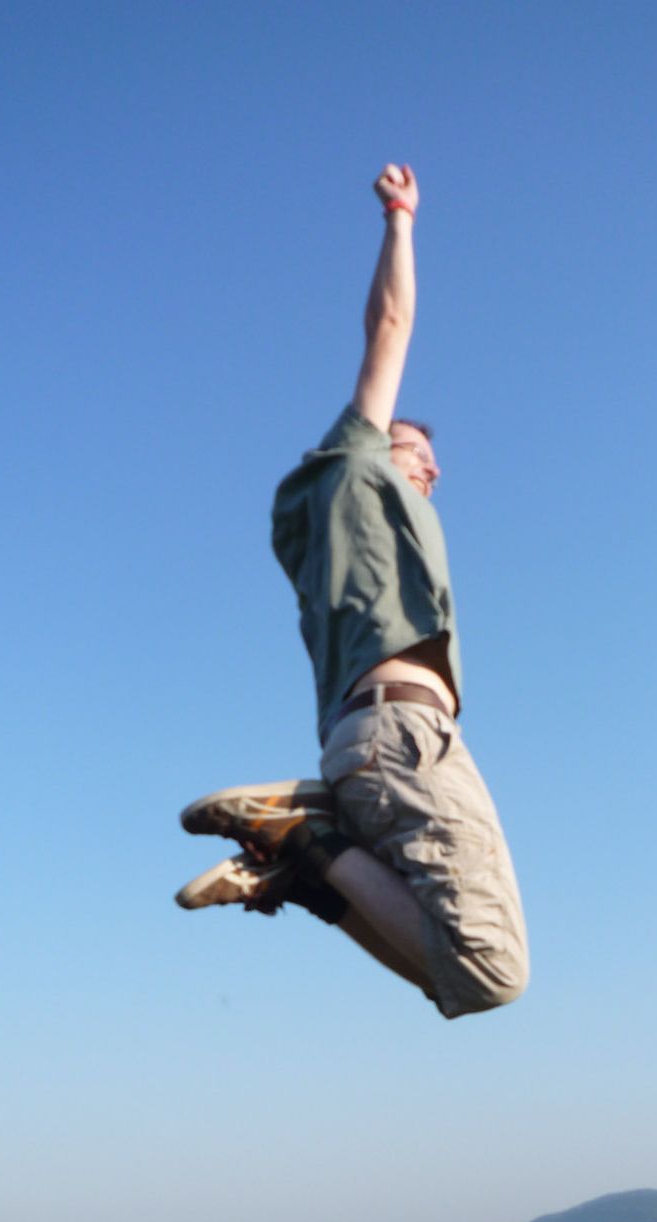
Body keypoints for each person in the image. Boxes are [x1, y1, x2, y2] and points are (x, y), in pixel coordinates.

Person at [177, 163, 528, 1019]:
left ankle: (306, 868)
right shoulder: (351, 473)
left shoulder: (319, 543)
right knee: (489, 973)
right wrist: (401, 220)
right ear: (364, 455)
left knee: (448, 978)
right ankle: (304, 834)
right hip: (404, 735)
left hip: (364, 741)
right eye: (414, 451)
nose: (431, 465)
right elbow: (391, 326)